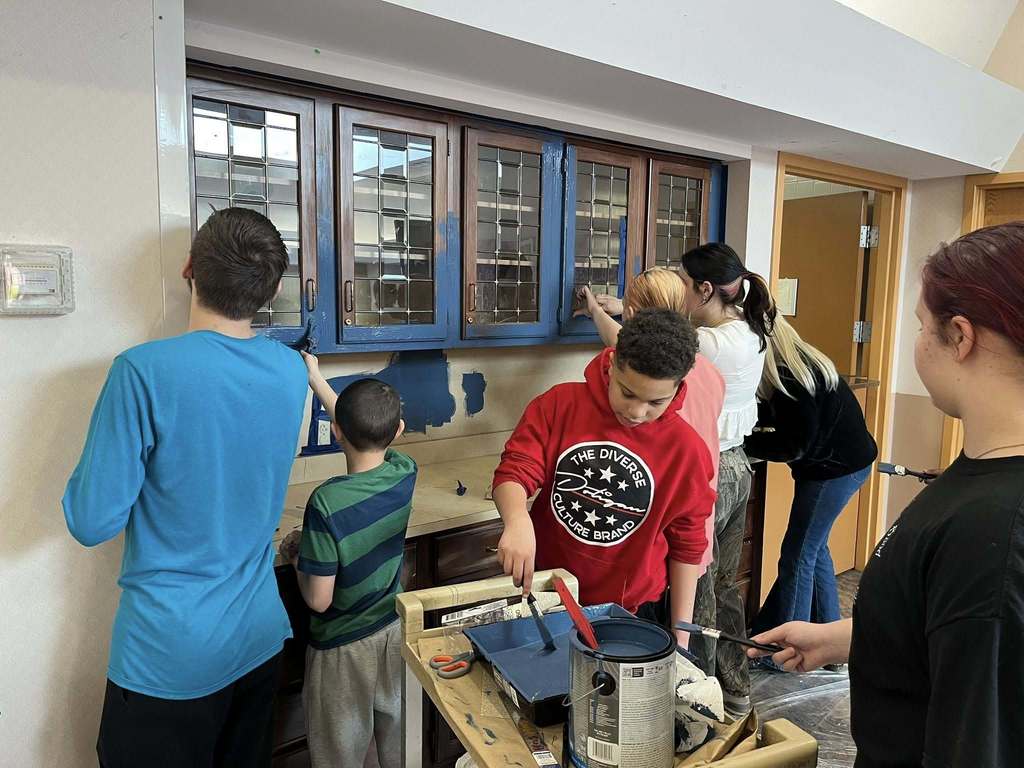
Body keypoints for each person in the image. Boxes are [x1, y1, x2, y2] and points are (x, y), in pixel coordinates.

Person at [749, 222, 1024, 767]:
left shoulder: (991, 535)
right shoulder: (978, 477)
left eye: (921, 326)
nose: (918, 342)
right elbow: (948, 630)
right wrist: (842, 638)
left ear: (960, 337)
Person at [63, 208, 308, 767]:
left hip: (169, 655)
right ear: (271, 291)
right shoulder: (291, 369)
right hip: (258, 638)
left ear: (189, 269)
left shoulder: (142, 372)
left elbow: (90, 521)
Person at [589, 244, 775, 716]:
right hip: (735, 466)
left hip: (702, 483)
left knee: (695, 596)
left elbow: (623, 345)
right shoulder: (742, 334)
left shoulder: (692, 353)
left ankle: (695, 697)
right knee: (722, 588)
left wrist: (598, 311)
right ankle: (733, 692)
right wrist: (619, 307)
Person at [493, 308, 716, 648]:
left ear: (678, 388)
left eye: (656, 401)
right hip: (548, 594)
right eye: (627, 393)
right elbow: (515, 469)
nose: (637, 412)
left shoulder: (687, 450)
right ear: (611, 365)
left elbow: (687, 546)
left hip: (631, 610)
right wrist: (517, 519)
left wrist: (680, 638)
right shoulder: (560, 404)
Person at [280, 357, 415, 768]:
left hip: (341, 650)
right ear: (398, 431)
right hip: (393, 633)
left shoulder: (327, 502)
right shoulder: (404, 472)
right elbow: (356, 423)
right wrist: (316, 378)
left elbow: (319, 600)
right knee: (398, 750)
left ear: (336, 431)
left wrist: (298, 556)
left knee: (340, 756)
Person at [576, 267, 725, 626]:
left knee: (657, 629)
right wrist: (597, 310)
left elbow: (617, 342)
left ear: (630, 314)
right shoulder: (706, 370)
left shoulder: (642, 374)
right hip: (696, 515)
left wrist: (597, 309)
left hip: (658, 530)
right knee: (692, 621)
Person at [744, 315, 877, 637]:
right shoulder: (805, 363)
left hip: (833, 471)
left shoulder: (792, 379)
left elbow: (792, 446)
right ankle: (828, 634)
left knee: (797, 556)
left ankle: (788, 645)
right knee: (815, 549)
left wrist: (744, 441)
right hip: (850, 464)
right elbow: (778, 419)